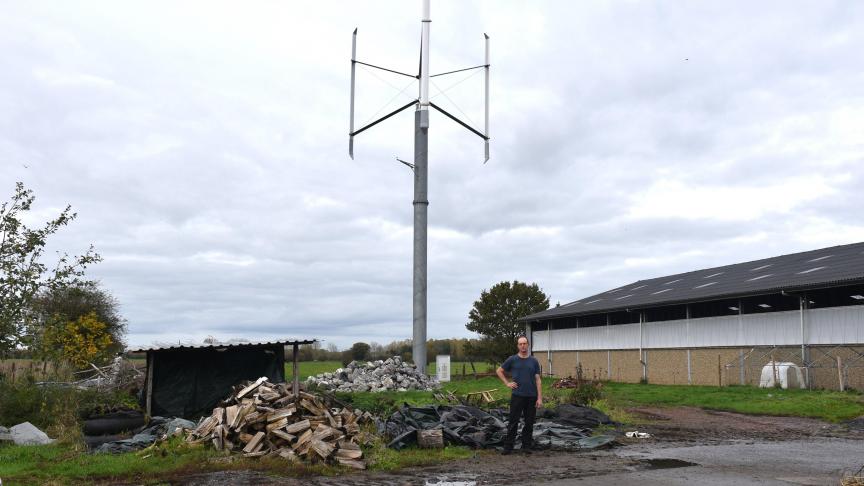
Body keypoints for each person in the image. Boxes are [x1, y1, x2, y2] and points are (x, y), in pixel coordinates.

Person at [496, 335, 542, 454]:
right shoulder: (512, 359)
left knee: (529, 422)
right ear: (518, 346)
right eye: (520, 344)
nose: (523, 346)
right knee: (513, 421)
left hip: (531, 396)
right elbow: (499, 371)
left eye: (524, 343)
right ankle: (508, 447)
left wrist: (539, 398)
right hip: (517, 395)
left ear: (528, 345)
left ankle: (526, 446)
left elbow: (538, 380)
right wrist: (507, 383)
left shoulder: (534, 361)